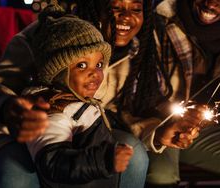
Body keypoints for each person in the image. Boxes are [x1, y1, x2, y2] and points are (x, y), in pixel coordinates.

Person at [0, 0, 202, 187]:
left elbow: (115, 114)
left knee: (134, 154)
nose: (126, 17)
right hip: (26, 134)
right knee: (18, 174)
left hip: (83, 133)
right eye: (116, 7)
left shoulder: (139, 50)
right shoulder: (50, 35)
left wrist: (157, 132)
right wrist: (9, 110)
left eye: (136, 9)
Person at [21, 5, 135, 187]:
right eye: (82, 65)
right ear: (56, 72)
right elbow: (53, 162)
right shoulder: (53, 110)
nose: (95, 73)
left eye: (99, 65)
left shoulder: (78, 102)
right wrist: (103, 161)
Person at [142, 0, 220, 187]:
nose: (211, 3)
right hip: (160, 123)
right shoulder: (159, 21)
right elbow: (145, 94)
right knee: (161, 175)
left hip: (207, 130)